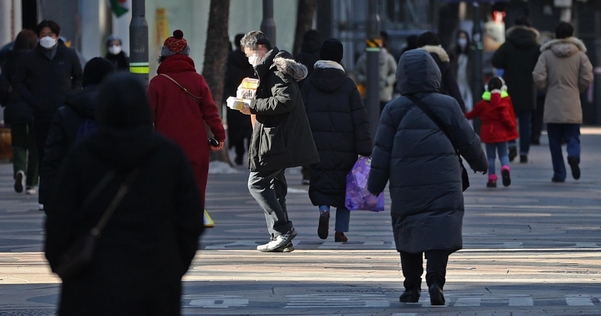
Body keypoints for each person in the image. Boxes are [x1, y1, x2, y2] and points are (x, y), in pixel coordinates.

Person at [44, 73, 205, 315]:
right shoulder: (168, 156)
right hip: (154, 279)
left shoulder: (83, 156)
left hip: (90, 280)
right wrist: (174, 265)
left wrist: (64, 265)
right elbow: (191, 218)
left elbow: (59, 217)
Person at [367, 49, 487, 306]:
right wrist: (480, 163)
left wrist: (374, 185)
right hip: (443, 178)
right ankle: (435, 281)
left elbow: (382, 149)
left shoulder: (392, 109)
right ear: (434, 75)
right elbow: (467, 139)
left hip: (405, 181)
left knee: (408, 229)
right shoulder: (448, 104)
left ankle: (411, 287)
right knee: (439, 228)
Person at [238, 30, 319, 252]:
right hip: (275, 137)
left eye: (248, 54)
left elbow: (286, 99)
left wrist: (252, 106)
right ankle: (280, 237)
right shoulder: (270, 69)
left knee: (257, 183)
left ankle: (283, 230)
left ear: (260, 49)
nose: (248, 59)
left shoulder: (277, 69)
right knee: (275, 186)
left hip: (277, 139)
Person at [301, 38, 373, 243]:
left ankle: (324, 211)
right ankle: (340, 231)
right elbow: (360, 118)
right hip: (346, 146)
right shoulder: (348, 85)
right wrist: (365, 147)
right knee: (345, 189)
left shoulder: (309, 83)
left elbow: (302, 115)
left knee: (321, 182)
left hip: (317, 145)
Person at [148, 30, 226, 203]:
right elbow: (210, 111)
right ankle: (193, 220)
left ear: (164, 56)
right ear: (187, 55)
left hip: (165, 145)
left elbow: (147, 117)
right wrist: (219, 135)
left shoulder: (156, 83)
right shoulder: (197, 80)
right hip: (195, 145)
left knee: (167, 187)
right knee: (195, 188)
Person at [13, 20, 83, 210]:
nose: (46, 38)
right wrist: (31, 99)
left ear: (57, 36)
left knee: (67, 154)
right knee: (45, 156)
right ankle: (47, 198)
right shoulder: (31, 58)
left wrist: (72, 96)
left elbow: (79, 76)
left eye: (50, 35)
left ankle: (68, 195)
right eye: (43, 34)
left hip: (65, 112)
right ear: (37, 36)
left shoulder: (68, 55)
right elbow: (18, 81)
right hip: (41, 114)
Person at [40, 57, 115, 210]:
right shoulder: (121, 111)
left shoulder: (65, 113)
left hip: (74, 194)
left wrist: (47, 199)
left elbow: (52, 159)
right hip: (113, 195)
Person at [532, 21, 593, 183]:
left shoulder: (546, 54)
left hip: (553, 101)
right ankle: (573, 155)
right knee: (573, 136)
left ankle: (559, 173)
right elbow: (588, 76)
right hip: (572, 101)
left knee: (554, 141)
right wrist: (577, 88)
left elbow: (538, 76)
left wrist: (547, 88)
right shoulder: (580, 55)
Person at [491, 16, 540, 163]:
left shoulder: (508, 45)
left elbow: (496, 61)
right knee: (526, 122)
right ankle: (524, 152)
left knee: (509, 119)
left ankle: (512, 144)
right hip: (528, 88)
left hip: (510, 88)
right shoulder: (535, 46)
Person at [0, 30, 38, 194]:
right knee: (35, 145)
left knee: (19, 145)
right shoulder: (37, 60)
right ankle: (31, 183)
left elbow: (2, 85)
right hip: (35, 108)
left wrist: (5, 101)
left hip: (15, 109)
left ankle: (19, 171)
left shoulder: (8, 61)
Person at [465, 76, 518, 188]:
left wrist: (463, 116)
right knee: (503, 154)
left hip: (488, 133)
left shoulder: (483, 103)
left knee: (490, 157)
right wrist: (511, 127)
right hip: (501, 133)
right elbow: (507, 117)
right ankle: (505, 168)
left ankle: (492, 179)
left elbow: (472, 114)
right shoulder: (505, 101)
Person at [294, 29, 322, 184]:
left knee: (306, 139)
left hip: (303, 104)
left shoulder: (299, 57)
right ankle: (319, 170)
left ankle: (306, 172)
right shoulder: (322, 58)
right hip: (321, 102)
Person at [224, 33, 254, 166]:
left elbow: (227, 79)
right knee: (251, 128)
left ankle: (239, 155)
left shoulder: (230, 58)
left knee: (237, 130)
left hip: (235, 98)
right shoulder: (252, 58)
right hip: (251, 97)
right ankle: (251, 155)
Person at [416, 31, 466, 113]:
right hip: (441, 106)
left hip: (418, 106)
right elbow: (453, 88)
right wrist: (462, 111)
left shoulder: (414, 62)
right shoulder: (443, 61)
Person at [355, 33, 397, 111]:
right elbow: (357, 73)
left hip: (384, 94)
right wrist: (365, 80)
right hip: (368, 93)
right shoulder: (363, 59)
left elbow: (395, 72)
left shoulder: (388, 58)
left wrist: (387, 81)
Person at [450, 30, 473, 112]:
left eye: (464, 37)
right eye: (460, 37)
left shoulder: (471, 53)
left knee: (469, 104)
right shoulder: (453, 52)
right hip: (458, 81)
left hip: (468, 82)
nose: (462, 40)